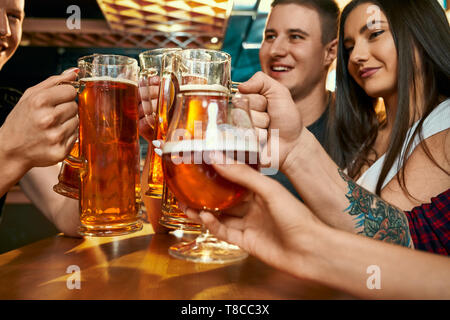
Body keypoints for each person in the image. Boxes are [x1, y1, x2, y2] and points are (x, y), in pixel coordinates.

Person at [181, 0, 449, 298]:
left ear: (421, 33)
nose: (357, 56)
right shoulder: (370, 135)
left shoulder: (443, 125)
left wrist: (295, 152)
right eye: (350, 46)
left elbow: (407, 241)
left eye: (374, 34)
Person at [0, 0, 80, 237]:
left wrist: (111, 140)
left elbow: (67, 215)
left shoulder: (6, 107)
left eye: (14, 16)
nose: (4, 29)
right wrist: (8, 149)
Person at [257, 0, 339, 198]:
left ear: (330, 52)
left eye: (295, 37)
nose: (275, 50)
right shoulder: (239, 125)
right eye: (270, 36)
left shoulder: (359, 135)